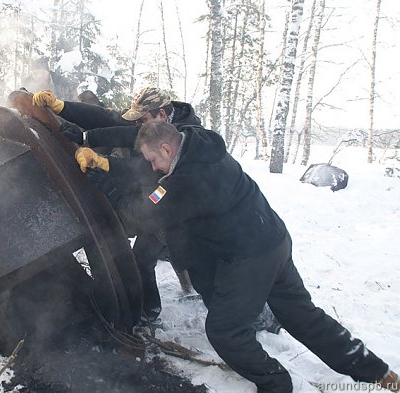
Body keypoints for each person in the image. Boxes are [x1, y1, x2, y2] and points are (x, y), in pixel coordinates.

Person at [80, 120, 399, 393]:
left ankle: (277, 385)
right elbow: (143, 158)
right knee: (303, 316)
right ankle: (377, 372)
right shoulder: (196, 140)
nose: (152, 169)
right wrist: (100, 155)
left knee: (225, 332)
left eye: (153, 160)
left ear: (166, 149)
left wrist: (99, 179)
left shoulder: (189, 182)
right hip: (273, 239)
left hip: (250, 256)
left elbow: (140, 216)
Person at [33, 87, 200, 322]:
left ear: (161, 115)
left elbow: (145, 172)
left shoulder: (185, 140)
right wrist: (62, 107)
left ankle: (152, 313)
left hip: (173, 212)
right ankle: (149, 312)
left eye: (142, 121)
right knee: (144, 257)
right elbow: (107, 119)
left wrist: (105, 168)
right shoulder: (152, 126)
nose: (138, 127)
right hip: (151, 201)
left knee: (150, 258)